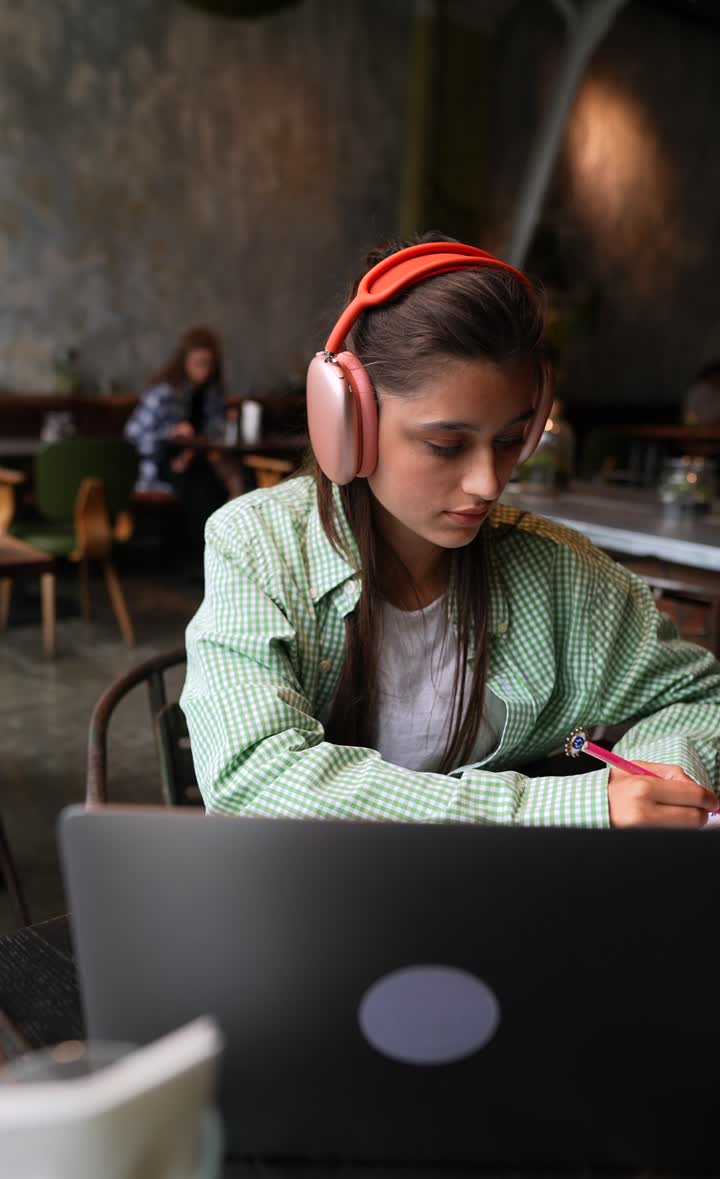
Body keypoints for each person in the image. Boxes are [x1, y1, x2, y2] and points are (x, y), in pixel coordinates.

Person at [181, 234, 720, 829]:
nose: (488, 483)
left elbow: (700, 700)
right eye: (447, 445)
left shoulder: (559, 570)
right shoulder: (256, 546)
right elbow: (253, 777)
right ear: (348, 425)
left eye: (512, 440)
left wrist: (660, 781)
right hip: (319, 903)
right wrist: (565, 806)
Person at [124, 327, 238, 558]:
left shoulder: (211, 393)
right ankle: (202, 558)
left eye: (209, 364)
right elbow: (134, 435)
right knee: (201, 490)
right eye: (199, 363)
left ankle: (220, 555)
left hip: (196, 459)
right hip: (159, 464)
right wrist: (172, 433)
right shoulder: (165, 392)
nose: (204, 370)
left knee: (228, 483)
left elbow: (213, 433)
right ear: (184, 362)